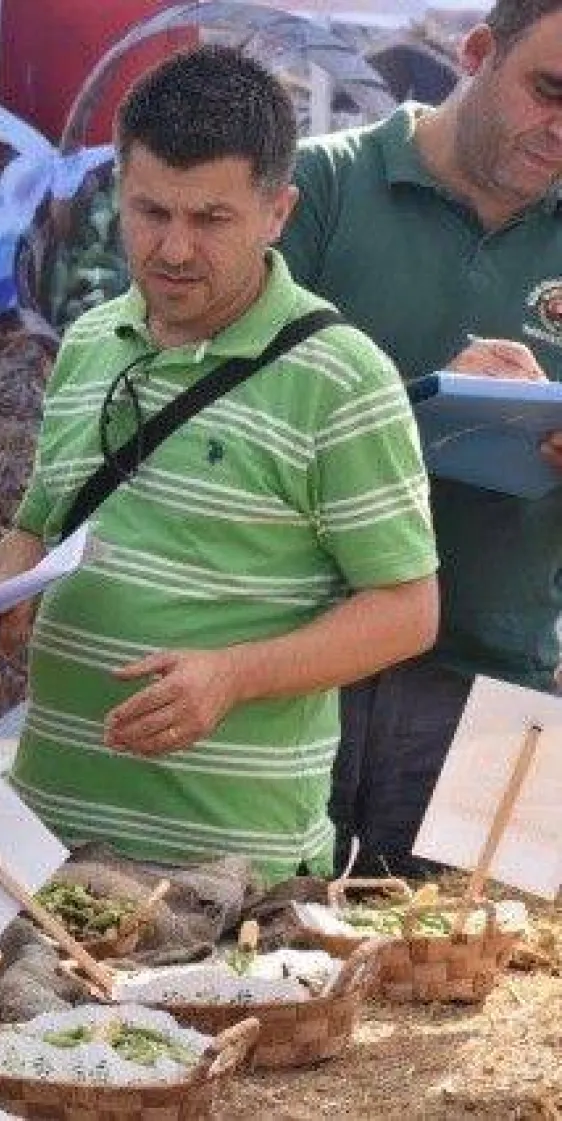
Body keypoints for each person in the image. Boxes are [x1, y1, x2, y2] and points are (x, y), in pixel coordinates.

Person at [0, 45, 440, 885]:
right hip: (41, 848)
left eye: (210, 219)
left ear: (278, 211)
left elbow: (407, 610)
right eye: (150, 212)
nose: (173, 248)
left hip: (226, 873)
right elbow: (40, 523)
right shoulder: (91, 340)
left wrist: (235, 677)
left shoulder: (343, 377)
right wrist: (7, 588)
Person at [277, 0, 562, 877]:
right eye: (548, 89)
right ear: (476, 51)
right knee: (267, 966)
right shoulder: (320, 187)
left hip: (504, 684)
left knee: (480, 989)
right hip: (297, 666)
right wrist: (420, 396)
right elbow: (225, 411)